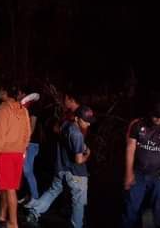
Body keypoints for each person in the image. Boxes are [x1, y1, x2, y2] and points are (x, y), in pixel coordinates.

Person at [26, 91, 94, 228]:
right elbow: (79, 160)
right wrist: (88, 154)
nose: (88, 124)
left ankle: (34, 212)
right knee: (78, 203)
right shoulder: (78, 134)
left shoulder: (65, 125)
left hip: (61, 168)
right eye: (85, 121)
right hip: (76, 173)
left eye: (89, 121)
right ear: (77, 119)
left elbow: (56, 130)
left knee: (53, 191)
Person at [122, 101, 160, 228]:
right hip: (138, 173)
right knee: (131, 205)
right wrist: (128, 173)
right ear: (151, 113)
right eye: (156, 116)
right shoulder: (137, 124)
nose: (159, 119)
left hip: (158, 175)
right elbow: (130, 149)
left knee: (158, 206)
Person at [0, 85, 31, 228]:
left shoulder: (3, 109)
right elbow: (28, 133)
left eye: (1, 90)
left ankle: (13, 223)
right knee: (8, 186)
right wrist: (22, 147)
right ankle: (2, 215)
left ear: (6, 92)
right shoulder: (23, 110)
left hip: (4, 152)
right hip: (19, 153)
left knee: (9, 188)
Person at [19, 91, 42, 204]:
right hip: (27, 142)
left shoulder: (33, 107)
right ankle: (28, 195)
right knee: (24, 170)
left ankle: (35, 197)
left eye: (20, 93)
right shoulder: (24, 106)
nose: (18, 95)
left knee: (27, 170)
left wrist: (26, 141)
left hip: (31, 143)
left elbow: (32, 125)